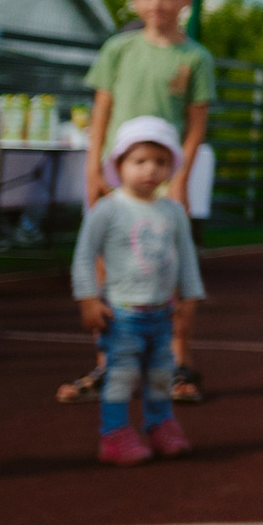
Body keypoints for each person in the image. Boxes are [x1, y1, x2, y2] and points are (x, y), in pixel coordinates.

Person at [63, 0, 213, 406]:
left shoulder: (196, 58)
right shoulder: (118, 50)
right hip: (115, 178)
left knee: (171, 269)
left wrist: (181, 177)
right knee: (109, 268)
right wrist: (94, 168)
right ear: (136, 0)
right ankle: (110, 366)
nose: (158, 4)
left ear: (184, 0)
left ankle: (177, 364)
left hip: (165, 180)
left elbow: (196, 124)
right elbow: (101, 111)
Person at [73, 117, 205, 465]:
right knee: (121, 376)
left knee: (162, 374)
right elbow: (84, 255)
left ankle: (161, 425)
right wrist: (88, 299)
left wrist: (190, 298)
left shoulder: (173, 212)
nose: (151, 170)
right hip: (123, 314)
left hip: (161, 313)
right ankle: (114, 434)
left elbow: (188, 259)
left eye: (161, 162)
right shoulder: (108, 209)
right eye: (140, 161)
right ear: (119, 164)